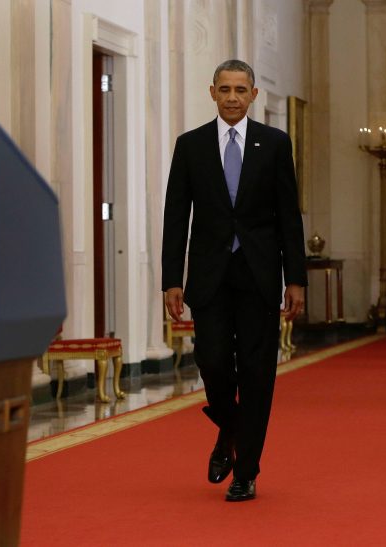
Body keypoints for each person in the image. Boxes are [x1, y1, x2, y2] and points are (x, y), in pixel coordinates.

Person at [161, 59, 307, 502]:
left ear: (253, 95)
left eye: (240, 90)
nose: (231, 97)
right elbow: (175, 216)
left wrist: (295, 278)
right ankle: (228, 429)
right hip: (209, 277)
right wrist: (171, 279)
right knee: (214, 363)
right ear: (212, 93)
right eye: (224, 89)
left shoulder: (275, 144)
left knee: (259, 375)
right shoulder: (190, 146)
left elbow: (288, 216)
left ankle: (246, 471)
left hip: (260, 275)